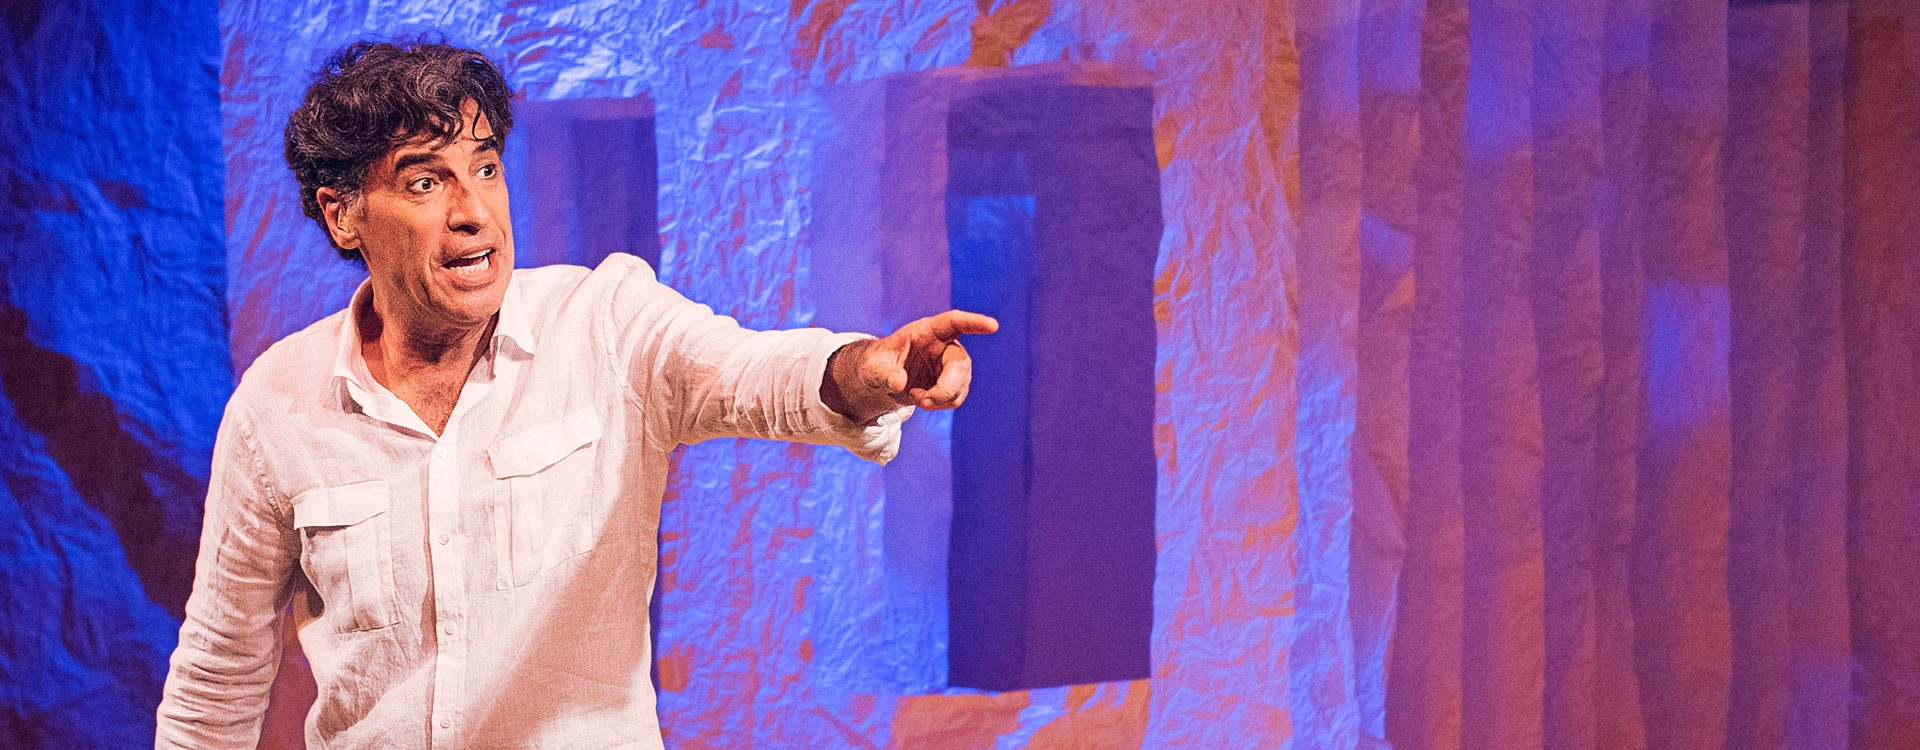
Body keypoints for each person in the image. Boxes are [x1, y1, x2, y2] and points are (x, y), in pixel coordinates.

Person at [154, 39, 995, 749]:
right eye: (425, 183)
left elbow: (753, 373)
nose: (474, 211)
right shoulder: (279, 404)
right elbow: (219, 675)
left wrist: (864, 371)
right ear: (343, 216)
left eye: (485, 168)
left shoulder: (605, 322)